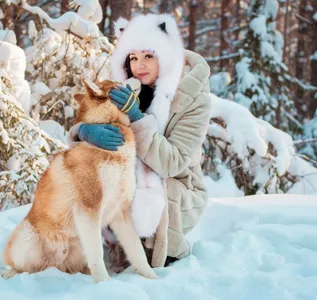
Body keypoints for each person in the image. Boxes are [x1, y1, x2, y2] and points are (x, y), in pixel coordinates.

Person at [68, 13, 211, 268]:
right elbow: (93, 123)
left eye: (148, 56)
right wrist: (84, 133)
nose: (139, 65)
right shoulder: (126, 87)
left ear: (164, 55)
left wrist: (135, 118)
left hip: (176, 188)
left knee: (133, 190)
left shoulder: (193, 97)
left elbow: (172, 163)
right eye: (133, 57)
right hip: (129, 175)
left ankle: (160, 252)